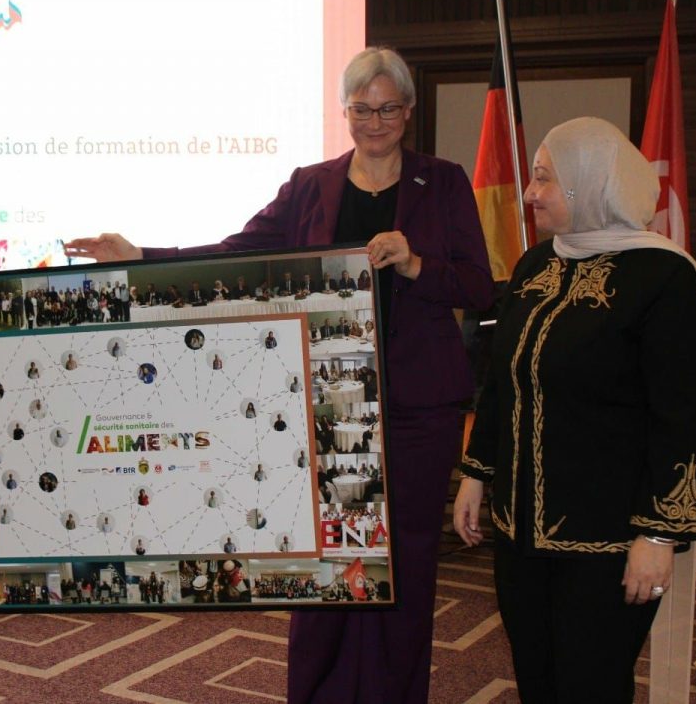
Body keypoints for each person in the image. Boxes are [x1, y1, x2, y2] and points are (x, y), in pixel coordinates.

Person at [65, 46, 493, 704]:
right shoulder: (311, 186)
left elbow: (479, 288)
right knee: (325, 564)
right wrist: (143, 255)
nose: (374, 122)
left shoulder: (444, 182)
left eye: (387, 109)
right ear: (344, 111)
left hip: (416, 411)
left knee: (404, 566)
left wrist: (416, 265)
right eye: (361, 109)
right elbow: (236, 255)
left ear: (409, 111)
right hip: (324, 403)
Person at [452, 117, 696, 704]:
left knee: (591, 685)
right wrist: (476, 474)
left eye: (544, 179)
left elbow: (680, 419)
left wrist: (659, 535)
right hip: (520, 537)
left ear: (588, 182)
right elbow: (501, 382)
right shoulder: (535, 265)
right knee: (538, 679)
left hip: (611, 544)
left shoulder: (664, 277)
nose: (530, 194)